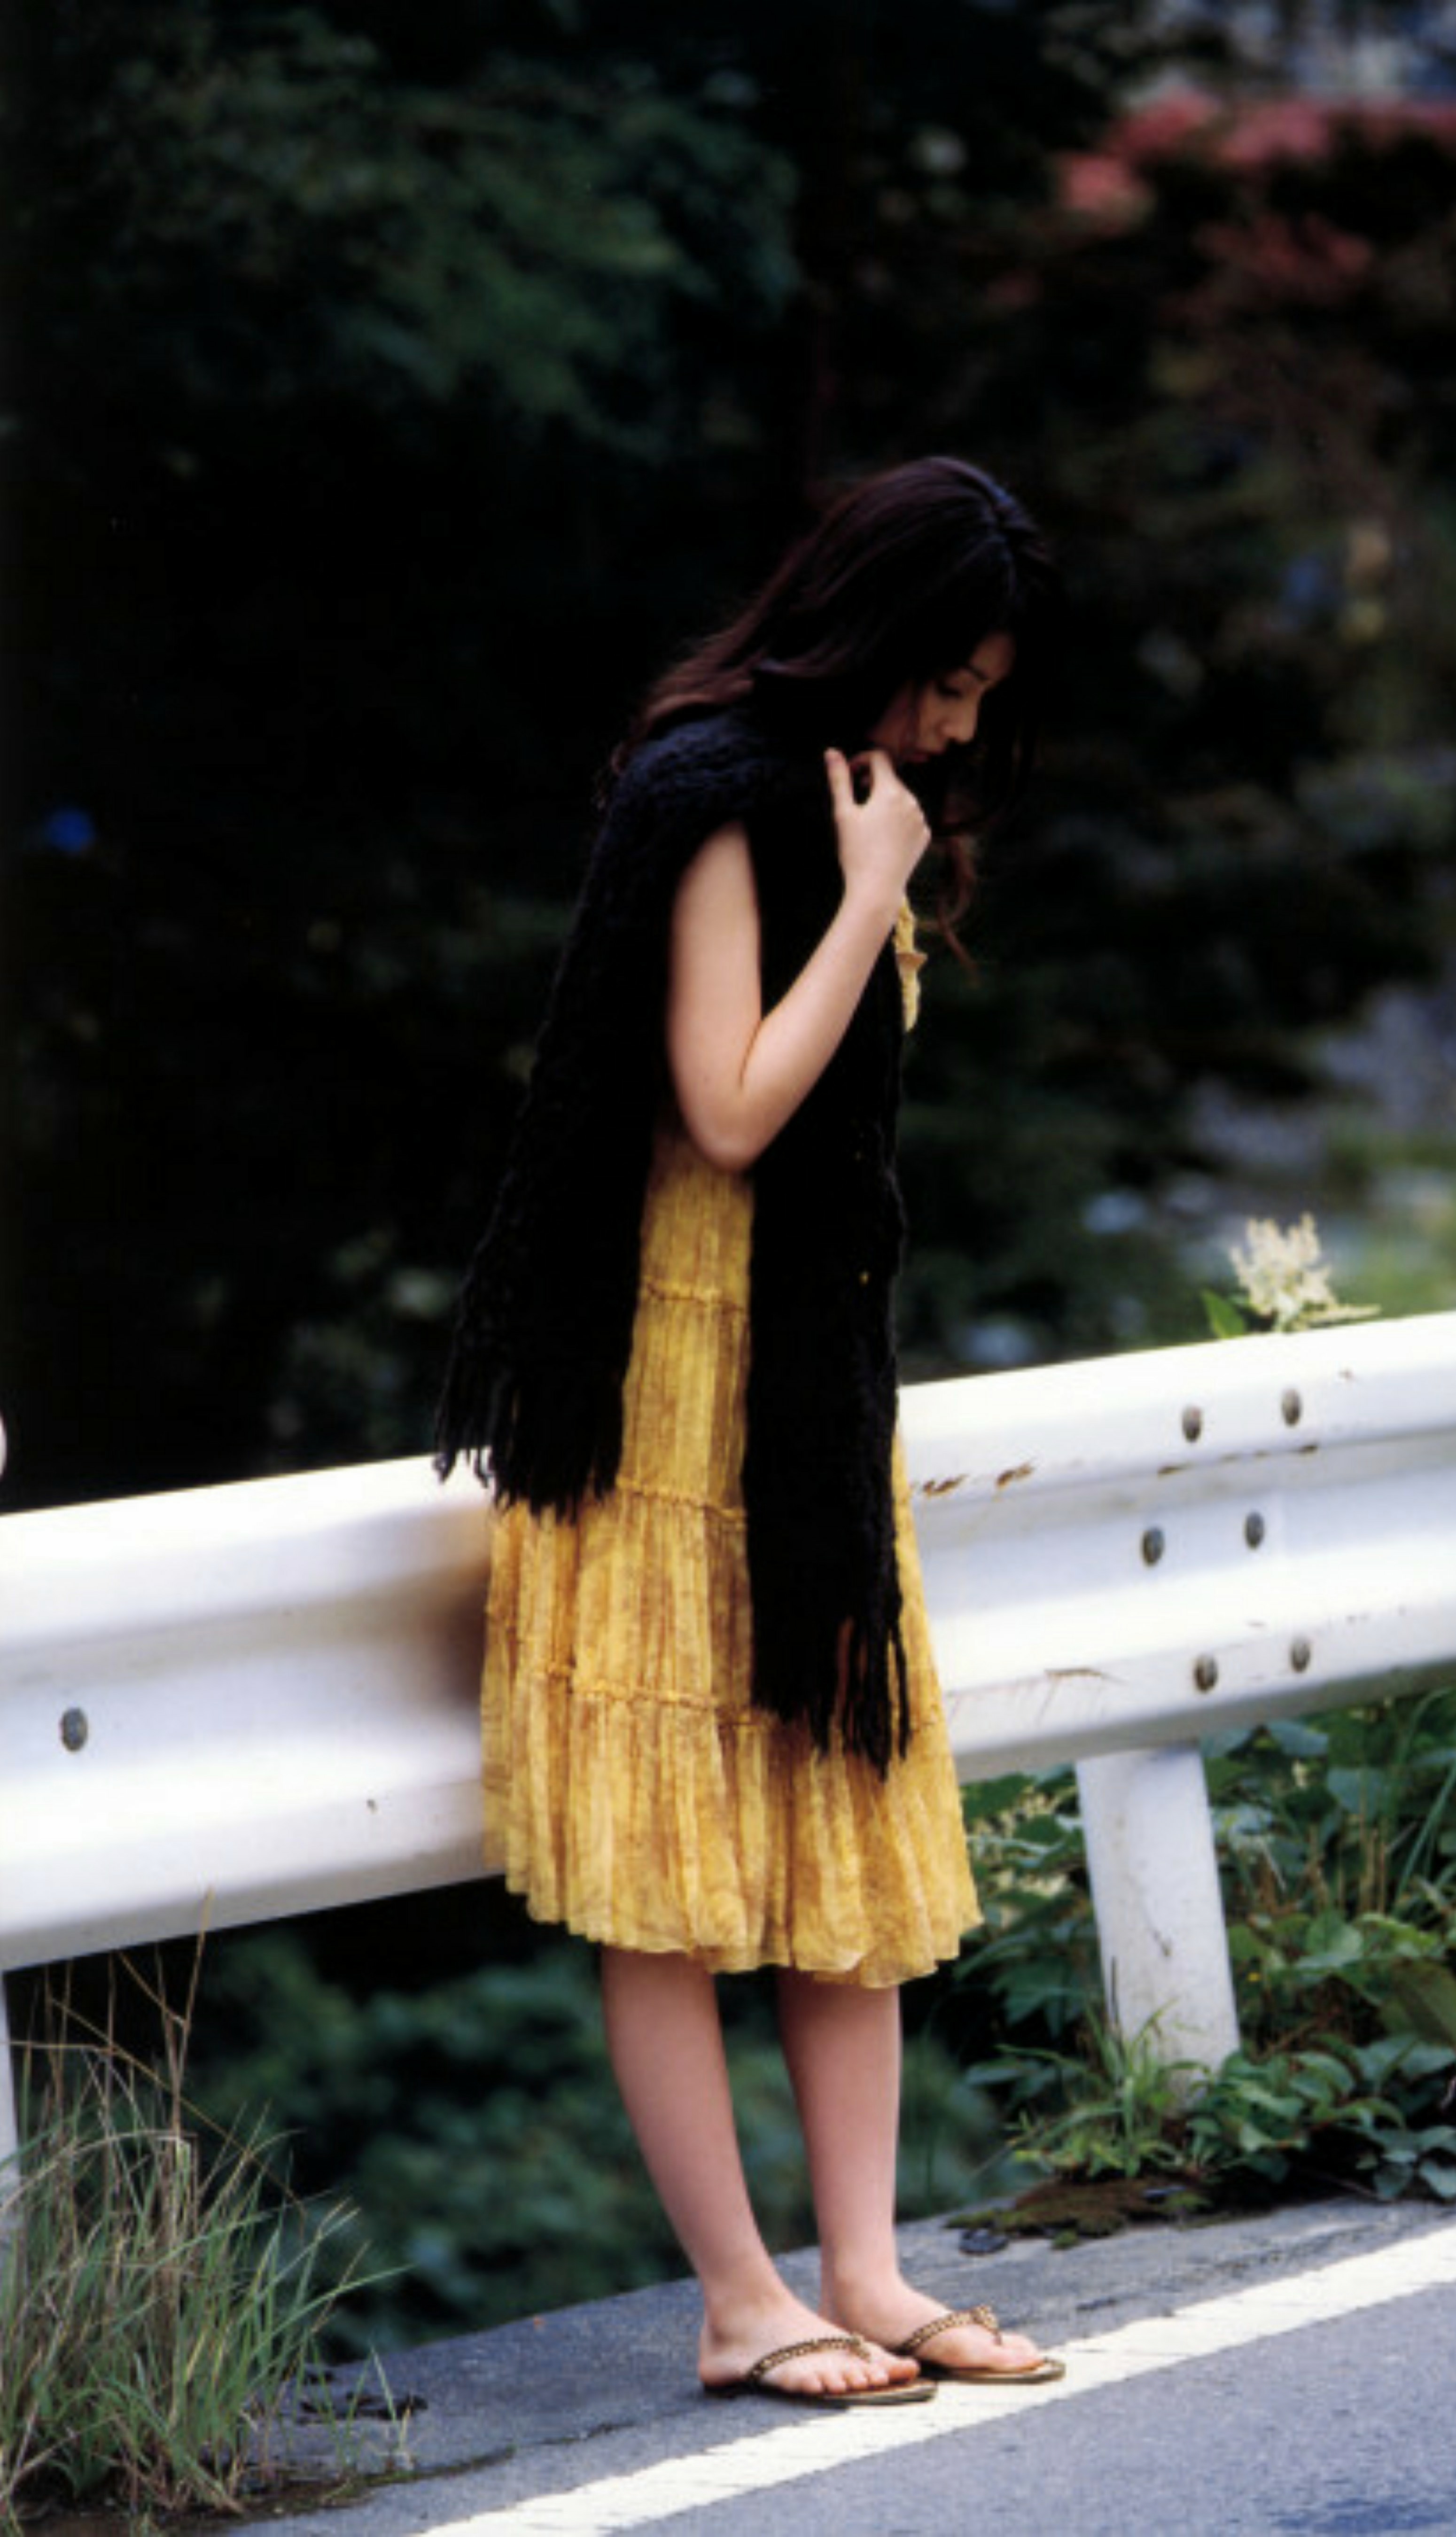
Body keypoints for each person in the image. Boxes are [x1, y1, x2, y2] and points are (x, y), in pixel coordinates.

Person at [436, 455, 1065, 2408]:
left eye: (981, 698)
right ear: (873, 634)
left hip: (804, 1394)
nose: (955, 728)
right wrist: (869, 895)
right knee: (672, 1853)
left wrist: (875, 869)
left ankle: (864, 2269)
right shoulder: (713, 794)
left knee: (838, 1799)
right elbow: (723, 1110)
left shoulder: (850, 796)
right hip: (662, 1389)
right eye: (946, 683)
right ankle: (738, 2299)